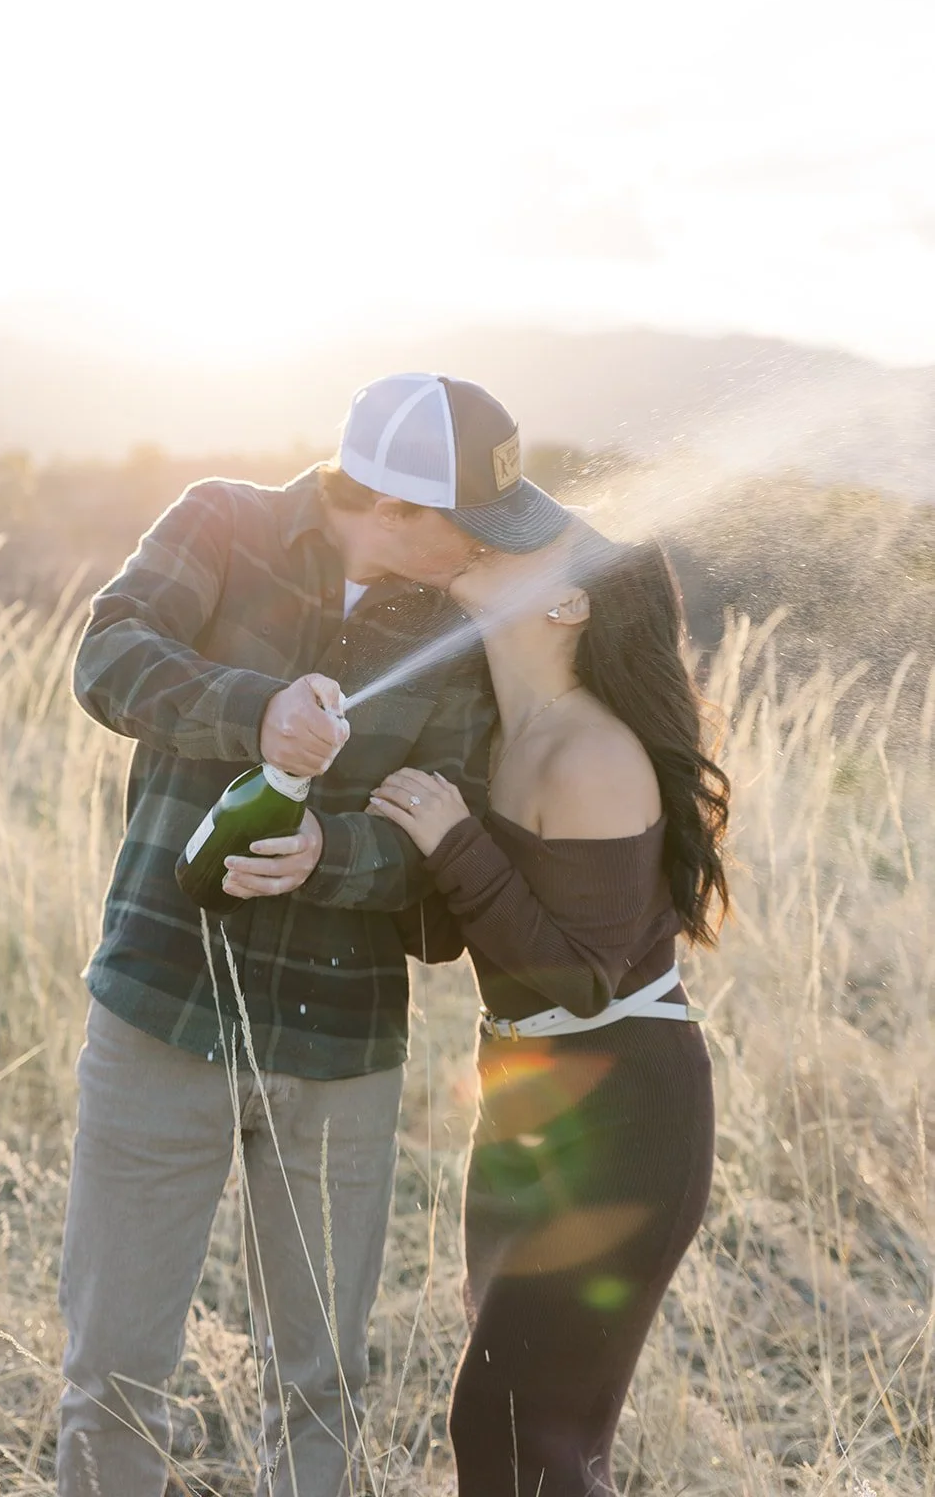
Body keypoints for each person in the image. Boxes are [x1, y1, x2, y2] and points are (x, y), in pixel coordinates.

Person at [57, 372, 574, 1497]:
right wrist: (253, 708)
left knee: (320, 1385)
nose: (480, 549)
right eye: (465, 525)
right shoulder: (221, 522)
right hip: (159, 1012)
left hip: (341, 1054)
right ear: (389, 505)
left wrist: (327, 858)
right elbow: (105, 655)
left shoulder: (452, 625)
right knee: (114, 1380)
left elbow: (449, 837)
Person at [367, 518, 729, 1497]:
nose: (492, 537)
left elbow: (583, 979)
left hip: (624, 1122)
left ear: (567, 604)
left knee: (519, 1429)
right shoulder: (501, 737)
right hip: (528, 1107)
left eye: (534, 543)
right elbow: (470, 938)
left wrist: (453, 841)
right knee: (516, 1432)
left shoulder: (589, 756)